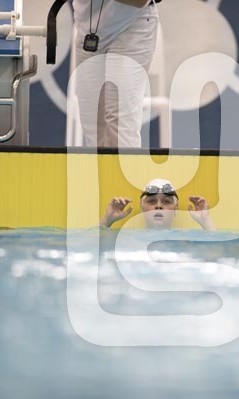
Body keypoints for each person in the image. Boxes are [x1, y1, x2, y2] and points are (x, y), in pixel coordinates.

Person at [71, 0, 159, 148]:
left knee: (120, 124)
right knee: (93, 127)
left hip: (133, 25)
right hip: (89, 27)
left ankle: (124, 164)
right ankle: (101, 164)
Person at [99, 179, 216, 230]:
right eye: (152, 201)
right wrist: (107, 220)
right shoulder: (128, 240)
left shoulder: (185, 240)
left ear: (176, 209)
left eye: (166, 201)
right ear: (142, 207)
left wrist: (205, 221)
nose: (159, 206)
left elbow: (215, 252)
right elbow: (94, 245)